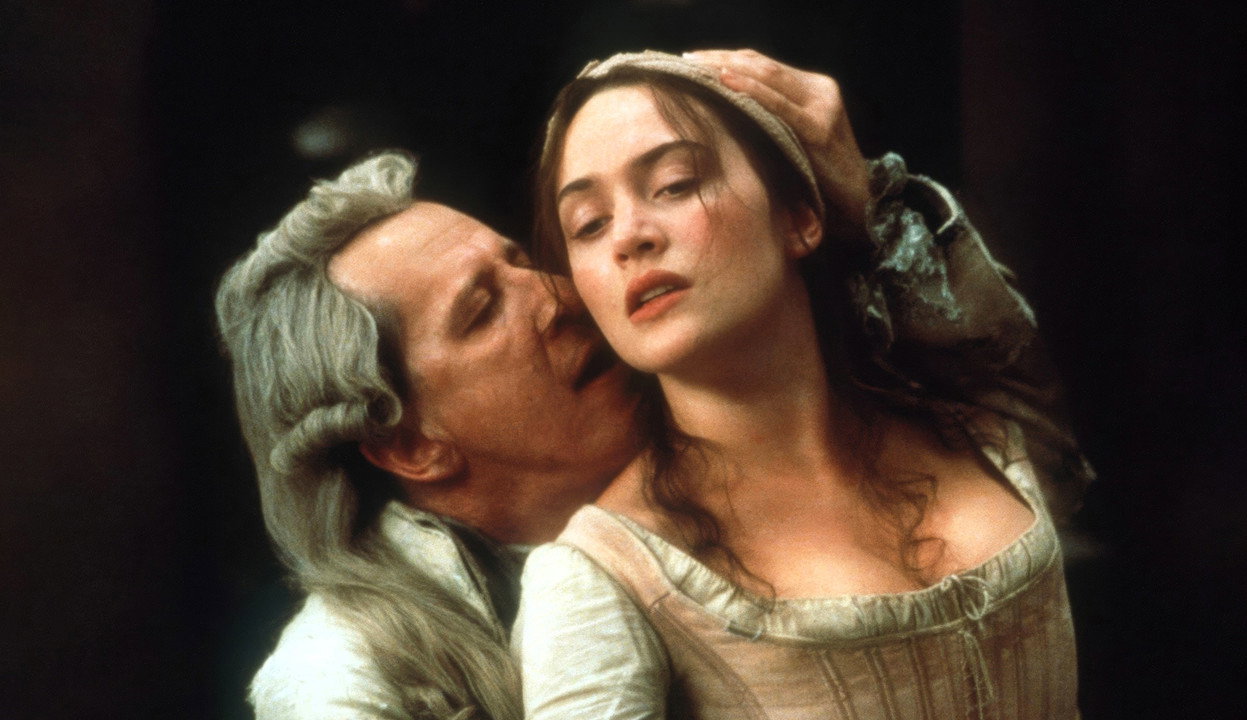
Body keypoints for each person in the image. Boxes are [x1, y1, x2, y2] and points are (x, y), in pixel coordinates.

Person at [216, 49, 1077, 720]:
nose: (557, 297)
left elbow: (1030, 433)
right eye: (482, 312)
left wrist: (867, 203)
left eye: (525, 259)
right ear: (410, 444)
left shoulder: (895, 424)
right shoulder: (340, 680)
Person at [516, 50, 1084, 719]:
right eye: (589, 224)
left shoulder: (975, 424)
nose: (628, 238)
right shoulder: (601, 577)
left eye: (674, 184)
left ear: (798, 216)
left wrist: (867, 193)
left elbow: (1021, 378)